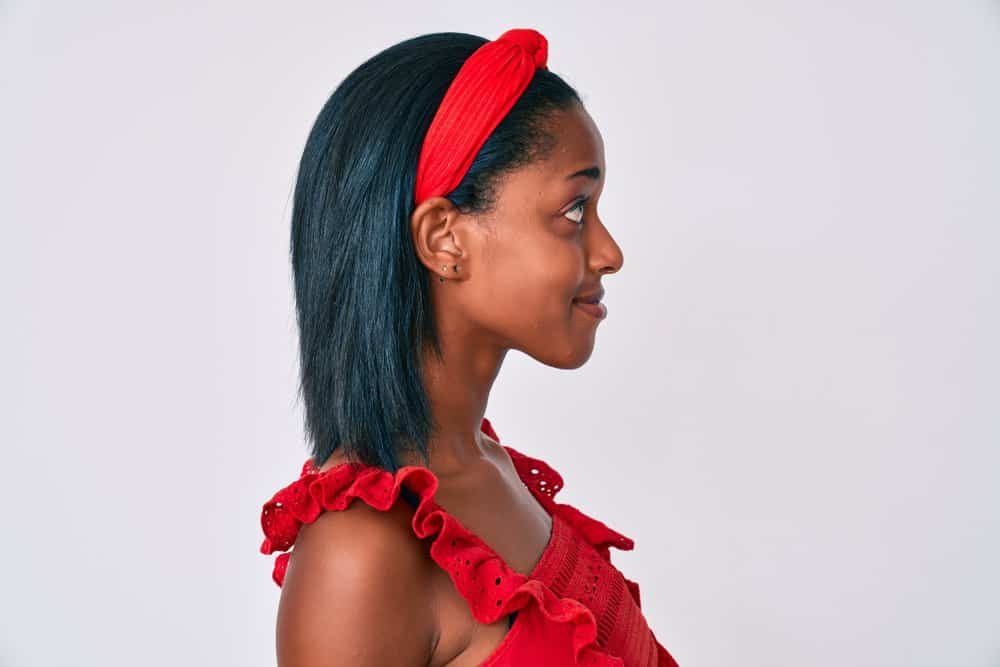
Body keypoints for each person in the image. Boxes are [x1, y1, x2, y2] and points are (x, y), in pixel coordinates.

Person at [258, 28, 681, 666]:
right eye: (574, 210)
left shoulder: (494, 470)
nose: (608, 252)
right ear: (444, 240)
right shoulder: (362, 553)